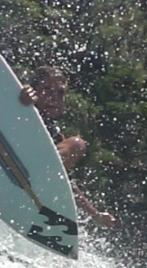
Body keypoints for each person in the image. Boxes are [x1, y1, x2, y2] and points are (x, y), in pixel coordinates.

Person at [19, 66, 117, 228]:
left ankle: (40, 184)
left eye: (60, 93)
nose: (54, 97)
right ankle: (37, 178)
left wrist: (95, 215)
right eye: (47, 89)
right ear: (34, 90)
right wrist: (21, 95)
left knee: (72, 146)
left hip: (30, 179)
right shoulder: (20, 103)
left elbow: (64, 180)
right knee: (77, 144)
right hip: (14, 163)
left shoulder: (54, 135)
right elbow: (9, 97)